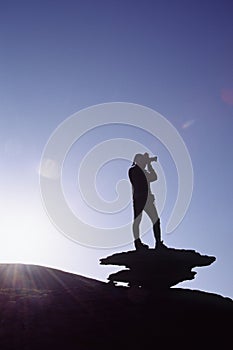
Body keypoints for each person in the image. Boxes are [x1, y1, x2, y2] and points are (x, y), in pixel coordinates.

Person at [128, 152, 165, 250]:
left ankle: (158, 243)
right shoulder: (133, 170)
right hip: (139, 199)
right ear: (136, 160)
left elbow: (154, 177)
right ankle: (137, 243)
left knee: (156, 220)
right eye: (142, 160)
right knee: (137, 221)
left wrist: (149, 164)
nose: (144, 162)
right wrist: (147, 161)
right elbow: (141, 179)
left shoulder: (143, 171)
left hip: (148, 199)